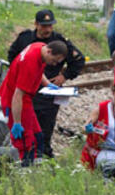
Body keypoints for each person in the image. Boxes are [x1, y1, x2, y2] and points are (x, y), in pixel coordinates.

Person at [7, 9, 85, 159]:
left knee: (45, 128)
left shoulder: (59, 41)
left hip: (49, 92)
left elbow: (78, 60)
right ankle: (29, 157)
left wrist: (64, 76)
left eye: (50, 25)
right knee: (27, 128)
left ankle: (43, 156)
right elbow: (13, 56)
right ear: (36, 24)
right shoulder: (25, 39)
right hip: (28, 89)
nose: (47, 29)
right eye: (44, 25)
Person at [0, 40, 68, 166]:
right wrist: (17, 123)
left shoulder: (39, 47)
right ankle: (25, 170)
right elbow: (17, 95)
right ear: (49, 51)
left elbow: (39, 70)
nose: (54, 64)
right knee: (25, 141)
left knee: (38, 136)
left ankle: (36, 167)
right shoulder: (29, 63)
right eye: (54, 60)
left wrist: (47, 84)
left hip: (25, 100)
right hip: (15, 102)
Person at [81, 83, 115, 178]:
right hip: (102, 151)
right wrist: (87, 129)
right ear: (113, 93)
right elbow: (84, 127)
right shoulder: (101, 108)